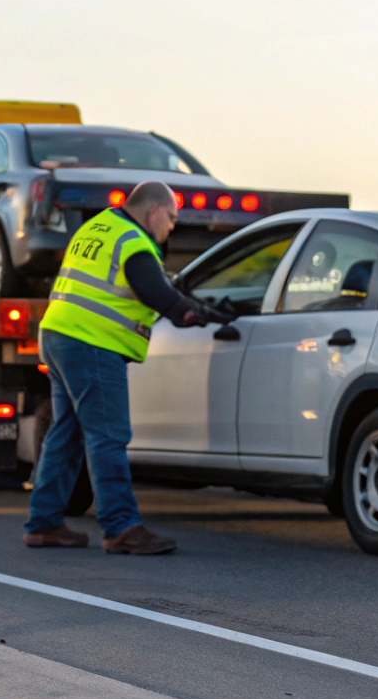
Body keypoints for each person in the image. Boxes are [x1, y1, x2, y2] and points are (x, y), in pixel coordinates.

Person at [23, 180, 227, 554]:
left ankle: (44, 522)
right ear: (152, 211)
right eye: (171, 217)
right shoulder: (133, 241)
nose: (171, 227)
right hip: (91, 343)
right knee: (108, 435)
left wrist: (183, 306)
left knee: (66, 433)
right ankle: (120, 527)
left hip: (57, 334)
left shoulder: (98, 227)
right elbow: (155, 292)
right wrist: (192, 312)